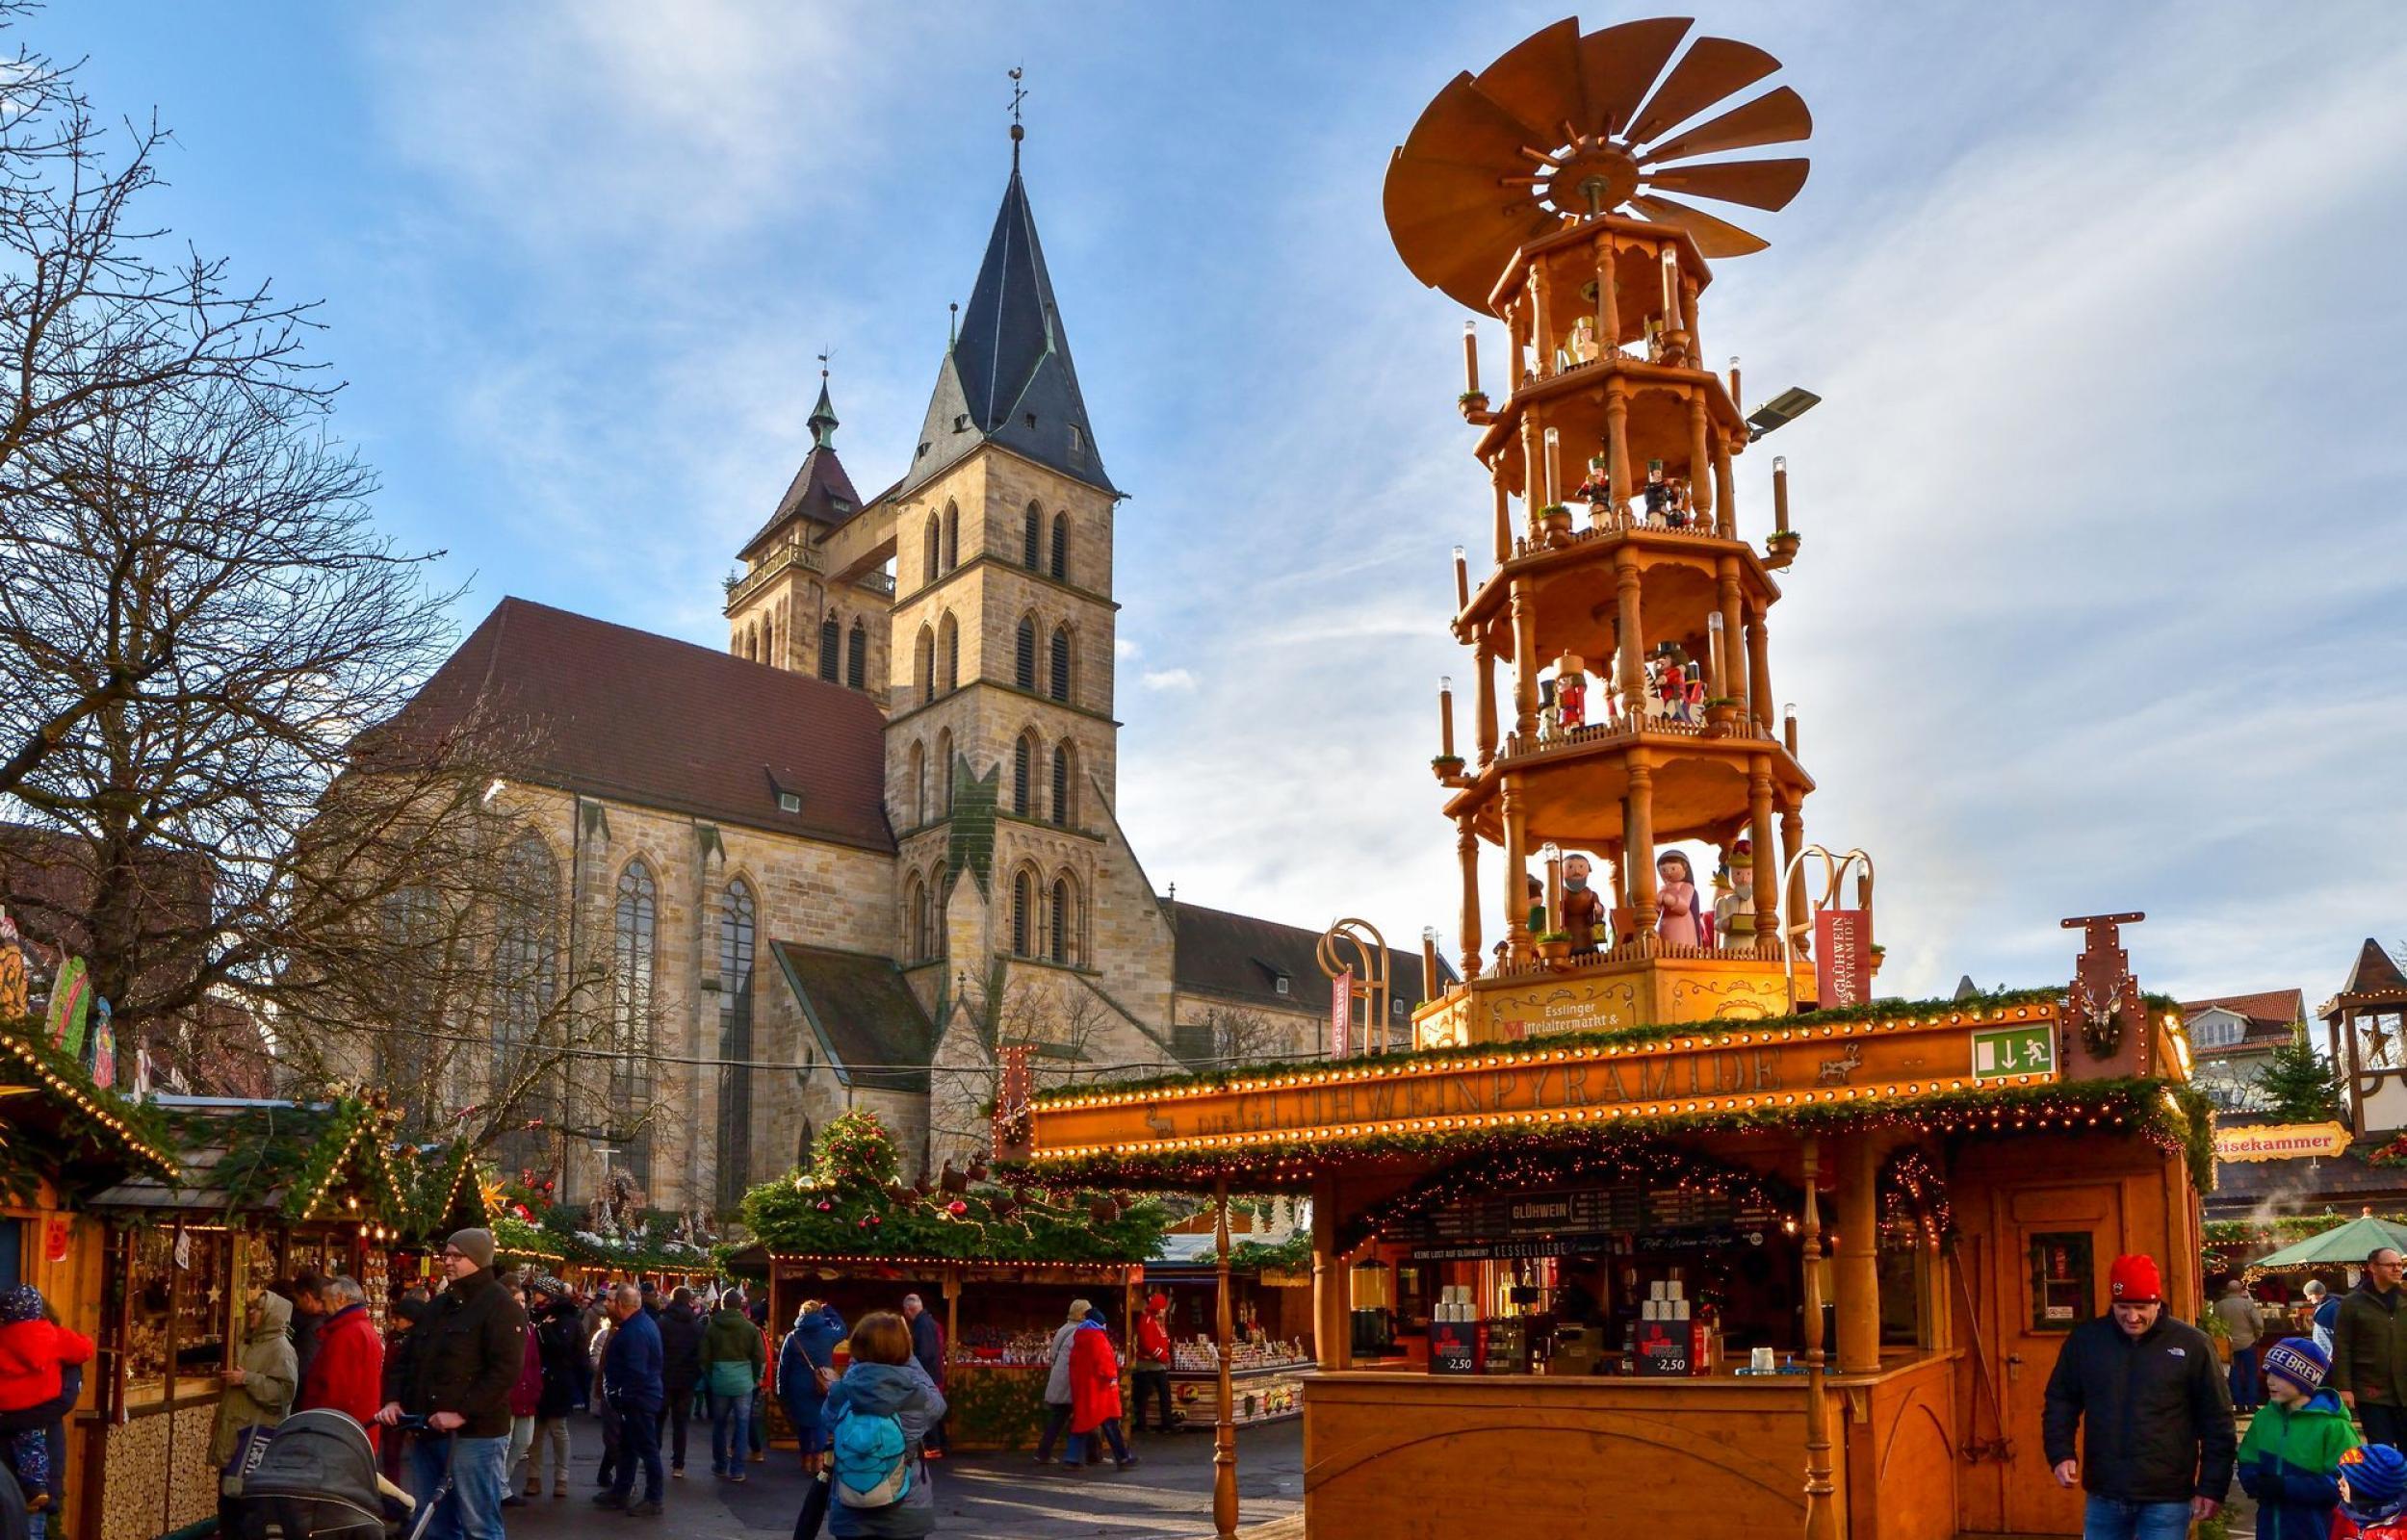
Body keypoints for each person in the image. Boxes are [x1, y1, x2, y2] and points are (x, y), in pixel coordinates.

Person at [2041, 1253, 2232, 1540]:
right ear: (2112, 1303)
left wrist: (2211, 1487)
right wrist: (2060, 1453)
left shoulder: (2192, 1345)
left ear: (2158, 1302)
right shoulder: (2086, 1341)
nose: (2132, 1317)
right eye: (2123, 1307)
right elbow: (2061, 1400)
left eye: (2141, 1307)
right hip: (2104, 1492)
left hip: (2167, 1497)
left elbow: (2217, 1420)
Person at [377, 1229, 531, 1540]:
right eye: (445, 1254)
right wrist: (394, 1400)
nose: (447, 1261)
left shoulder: (501, 1306)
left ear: (477, 1259)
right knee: (434, 1522)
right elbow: (406, 1359)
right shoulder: (438, 1306)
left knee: (479, 1524)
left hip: (475, 1436)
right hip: (428, 1430)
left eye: (456, 1256)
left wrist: (462, 1412)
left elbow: (505, 1371)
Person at [818, 1311, 946, 1540]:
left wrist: (856, 1367)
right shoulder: (915, 1396)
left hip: (850, 1505)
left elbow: (827, 1418)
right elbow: (938, 1405)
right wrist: (909, 1358)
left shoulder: (842, 1391)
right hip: (906, 1507)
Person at [2239, 1337, 2357, 1540]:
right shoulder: (2264, 1417)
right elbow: (2247, 1458)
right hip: (2269, 1526)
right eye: (2268, 1373)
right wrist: (2253, 1479)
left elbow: (2348, 1483)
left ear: (2303, 1380)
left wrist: (2286, 1487)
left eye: (2280, 1375)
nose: (2270, 1381)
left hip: (2316, 1527)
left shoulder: (2334, 1427)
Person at [0, 1287, 93, 1535]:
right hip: (44, 1452)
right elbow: (61, 1402)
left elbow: (61, 1403)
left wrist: (6, 1419)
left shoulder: (5, 1340)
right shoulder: (59, 1343)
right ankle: (37, 1489)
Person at [596, 1284, 664, 1517]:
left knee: (646, 1448)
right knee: (629, 1447)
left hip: (638, 1399)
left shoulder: (634, 1331)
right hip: (640, 1397)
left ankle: (654, 1498)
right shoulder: (643, 1325)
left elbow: (636, 1371)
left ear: (621, 1305)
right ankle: (622, 1490)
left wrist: (622, 1396)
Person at [213, 1290, 298, 1467]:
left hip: (254, 1440)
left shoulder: (281, 1349)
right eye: (251, 1308)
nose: (251, 1313)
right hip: (236, 1432)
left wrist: (247, 1379)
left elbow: (283, 1394)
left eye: (258, 1309)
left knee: (241, 1490)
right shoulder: (248, 1342)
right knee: (228, 1488)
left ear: (271, 1314)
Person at [298, 1275, 386, 1443]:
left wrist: (320, 1428)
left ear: (340, 1299)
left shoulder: (347, 1335)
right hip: (352, 1430)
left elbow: (337, 1392)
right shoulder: (359, 1329)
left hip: (339, 1434)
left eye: (324, 1302)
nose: (322, 1308)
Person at [2335, 1248, 2407, 1449]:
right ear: (2373, 1267)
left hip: (2405, 1388)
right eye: (2390, 1265)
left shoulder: (2405, 1298)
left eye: (2399, 1265)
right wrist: (2344, 1387)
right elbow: (2342, 1346)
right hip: (2371, 1390)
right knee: (2380, 1450)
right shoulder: (2352, 1303)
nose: (2397, 1269)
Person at [702, 1289, 764, 1481]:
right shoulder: (750, 1328)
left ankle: (720, 1465)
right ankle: (737, 1469)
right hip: (744, 1381)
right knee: (743, 1424)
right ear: (740, 1305)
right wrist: (754, 1378)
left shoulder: (712, 1327)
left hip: (720, 1380)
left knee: (719, 1425)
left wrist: (713, 1377)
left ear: (722, 1305)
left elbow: (704, 1358)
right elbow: (759, 1357)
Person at [779, 1300, 846, 1476]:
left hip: (798, 1386)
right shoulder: (828, 1334)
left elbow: (783, 1366)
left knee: (803, 1424)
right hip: (822, 1384)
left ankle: (805, 1459)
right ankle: (819, 1460)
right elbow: (843, 1329)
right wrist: (829, 1310)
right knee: (820, 1422)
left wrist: (781, 1389)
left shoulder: (792, 1337)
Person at [1064, 1307, 1136, 1472]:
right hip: (1100, 1389)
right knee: (1110, 1422)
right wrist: (1111, 1377)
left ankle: (1072, 1457)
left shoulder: (1080, 1337)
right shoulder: (1098, 1338)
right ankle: (1123, 1457)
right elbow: (1105, 1361)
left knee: (1081, 1423)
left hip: (1084, 1387)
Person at [529, 1282, 582, 1499]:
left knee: (557, 1429)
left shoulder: (567, 1320)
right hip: (537, 1379)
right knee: (536, 1432)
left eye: (538, 1293)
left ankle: (562, 1477)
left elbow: (564, 1350)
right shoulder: (536, 1317)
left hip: (558, 1381)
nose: (534, 1297)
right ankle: (534, 1476)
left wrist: (545, 1330)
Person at [381, 1295, 432, 1496]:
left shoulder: (420, 1341)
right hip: (393, 1401)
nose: (394, 1322)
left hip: (410, 1404)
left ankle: (403, 1501)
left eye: (399, 1318)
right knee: (392, 1455)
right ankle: (394, 1498)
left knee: (416, 1457)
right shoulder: (395, 1338)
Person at [1031, 1300, 1089, 1466]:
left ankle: (1043, 1453)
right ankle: (1090, 1454)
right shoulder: (1079, 1332)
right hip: (1071, 1382)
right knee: (1087, 1417)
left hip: (1059, 1379)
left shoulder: (1062, 1330)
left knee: (1058, 1418)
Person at [656, 1287, 705, 1479]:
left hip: (664, 1378)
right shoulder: (697, 1327)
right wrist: (695, 1375)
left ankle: (653, 1457)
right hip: (687, 1381)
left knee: (658, 1420)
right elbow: (701, 1355)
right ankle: (679, 1464)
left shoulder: (662, 1323)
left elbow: (656, 1351)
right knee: (681, 1423)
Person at [502, 1296, 543, 1507]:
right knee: (504, 1443)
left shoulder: (529, 1329)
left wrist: (536, 1386)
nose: (519, 1303)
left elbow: (534, 1361)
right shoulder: (499, 1327)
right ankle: (500, 1487)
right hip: (507, 1395)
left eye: (521, 1299)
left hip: (527, 1393)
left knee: (523, 1441)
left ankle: (503, 1480)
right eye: (515, 1298)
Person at [899, 1296, 945, 1457]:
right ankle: (939, 1444)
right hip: (934, 1373)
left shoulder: (922, 1325)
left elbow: (926, 1353)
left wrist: (911, 1364)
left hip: (928, 1374)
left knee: (927, 1409)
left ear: (908, 1310)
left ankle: (933, 1446)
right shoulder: (928, 1322)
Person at [2220, 1277, 2269, 1414]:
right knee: (2251, 1374)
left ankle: (2239, 1405)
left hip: (2228, 1345)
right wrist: (2258, 1335)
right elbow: (2258, 1323)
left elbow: (2216, 1326)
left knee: (2233, 1375)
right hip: (2248, 1342)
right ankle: (2252, 1404)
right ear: (2240, 1290)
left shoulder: (2219, 1306)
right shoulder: (2247, 1304)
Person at [2340, 1444, 2407, 1540]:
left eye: (2347, 1480)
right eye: (2340, 1475)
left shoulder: (2400, 1532)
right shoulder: (2341, 1514)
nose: (2339, 1482)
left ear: (2368, 1490)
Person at [1129, 1294, 1174, 1435]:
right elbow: (1148, 1344)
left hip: (1157, 1364)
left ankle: (1166, 1423)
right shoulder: (1147, 1320)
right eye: (1162, 1307)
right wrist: (1162, 1356)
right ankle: (1143, 1424)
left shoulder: (1156, 1320)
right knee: (1145, 1396)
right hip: (1149, 1364)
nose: (1164, 1310)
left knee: (1162, 1394)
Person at [289, 1270, 329, 1380]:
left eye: (298, 1299)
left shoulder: (313, 1328)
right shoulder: (327, 1320)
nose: (297, 1305)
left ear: (307, 1298)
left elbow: (304, 1370)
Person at [2316, 1280, 2342, 1355]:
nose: (2308, 1298)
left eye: (2309, 1295)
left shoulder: (2333, 1307)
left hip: (2329, 1355)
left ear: (2317, 1294)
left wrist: (2332, 1354)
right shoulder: (2322, 1306)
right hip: (2324, 1353)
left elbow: (2339, 1333)